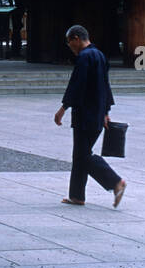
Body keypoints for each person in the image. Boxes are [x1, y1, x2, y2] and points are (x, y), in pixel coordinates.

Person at [53, 25, 126, 207]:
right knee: (80, 155)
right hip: (98, 114)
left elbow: (76, 86)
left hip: (85, 114)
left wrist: (63, 108)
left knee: (83, 155)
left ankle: (115, 182)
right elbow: (105, 86)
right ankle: (77, 196)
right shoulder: (100, 56)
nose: (71, 47)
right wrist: (106, 111)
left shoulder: (84, 57)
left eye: (70, 43)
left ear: (76, 38)